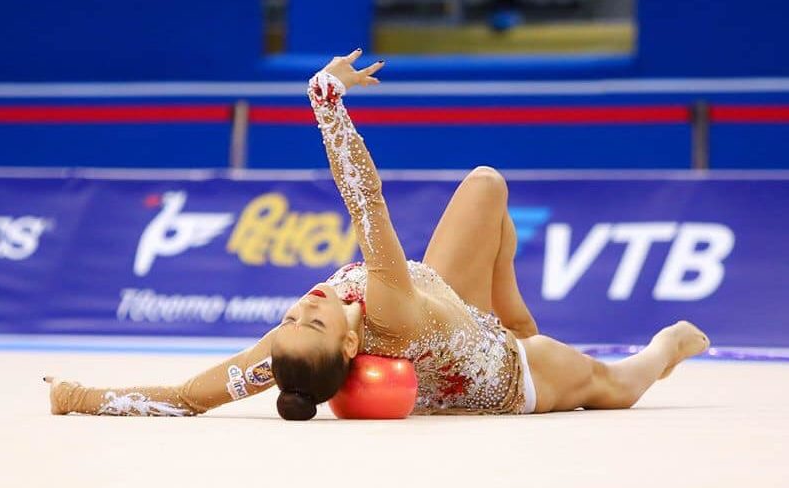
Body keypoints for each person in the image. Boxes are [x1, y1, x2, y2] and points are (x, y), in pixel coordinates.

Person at [44, 50, 709, 421]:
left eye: (289, 314)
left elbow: (189, 398)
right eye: (312, 319)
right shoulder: (385, 310)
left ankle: (516, 316)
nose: (303, 303)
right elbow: (366, 199)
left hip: (451, 309)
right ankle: (665, 345)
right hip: (505, 375)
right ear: (353, 341)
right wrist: (326, 100)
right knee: (615, 384)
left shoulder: (297, 355)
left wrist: (77, 398)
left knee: (486, 187)